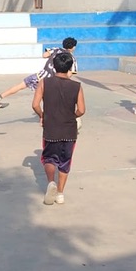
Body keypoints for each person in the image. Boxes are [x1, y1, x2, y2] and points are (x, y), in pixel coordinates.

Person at [32, 51, 85, 205]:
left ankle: (51, 183)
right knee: (65, 161)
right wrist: (72, 116)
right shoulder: (76, 86)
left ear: (54, 66)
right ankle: (60, 193)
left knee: (49, 158)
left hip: (51, 128)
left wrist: (42, 115)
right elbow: (81, 110)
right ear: (70, 68)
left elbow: (35, 105)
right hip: (69, 130)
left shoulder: (44, 83)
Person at [0, 37, 79, 100]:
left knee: (20, 86)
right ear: (73, 47)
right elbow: (69, 75)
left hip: (39, 77)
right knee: (48, 98)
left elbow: (44, 55)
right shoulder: (72, 59)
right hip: (52, 82)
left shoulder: (56, 49)